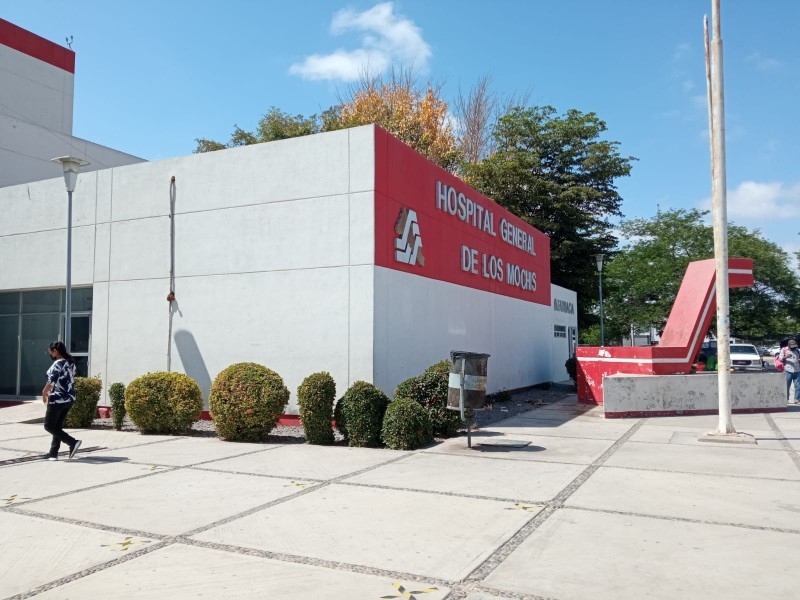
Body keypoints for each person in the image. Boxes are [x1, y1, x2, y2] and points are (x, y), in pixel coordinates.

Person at [42, 341, 81, 460]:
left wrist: (44, 393)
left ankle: (72, 442)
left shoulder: (58, 363)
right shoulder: (70, 363)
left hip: (58, 398)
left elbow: (52, 380)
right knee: (57, 427)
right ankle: (53, 453)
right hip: (69, 398)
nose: (50, 354)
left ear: (55, 351)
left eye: (50, 352)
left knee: (48, 425)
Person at [779, 339, 800, 404]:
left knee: (798, 386)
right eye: (792, 346)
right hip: (788, 370)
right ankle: (786, 399)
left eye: (795, 346)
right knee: (787, 385)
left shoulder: (797, 350)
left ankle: (797, 399)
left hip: (797, 370)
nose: (794, 347)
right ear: (789, 345)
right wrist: (786, 357)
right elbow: (780, 359)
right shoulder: (784, 350)